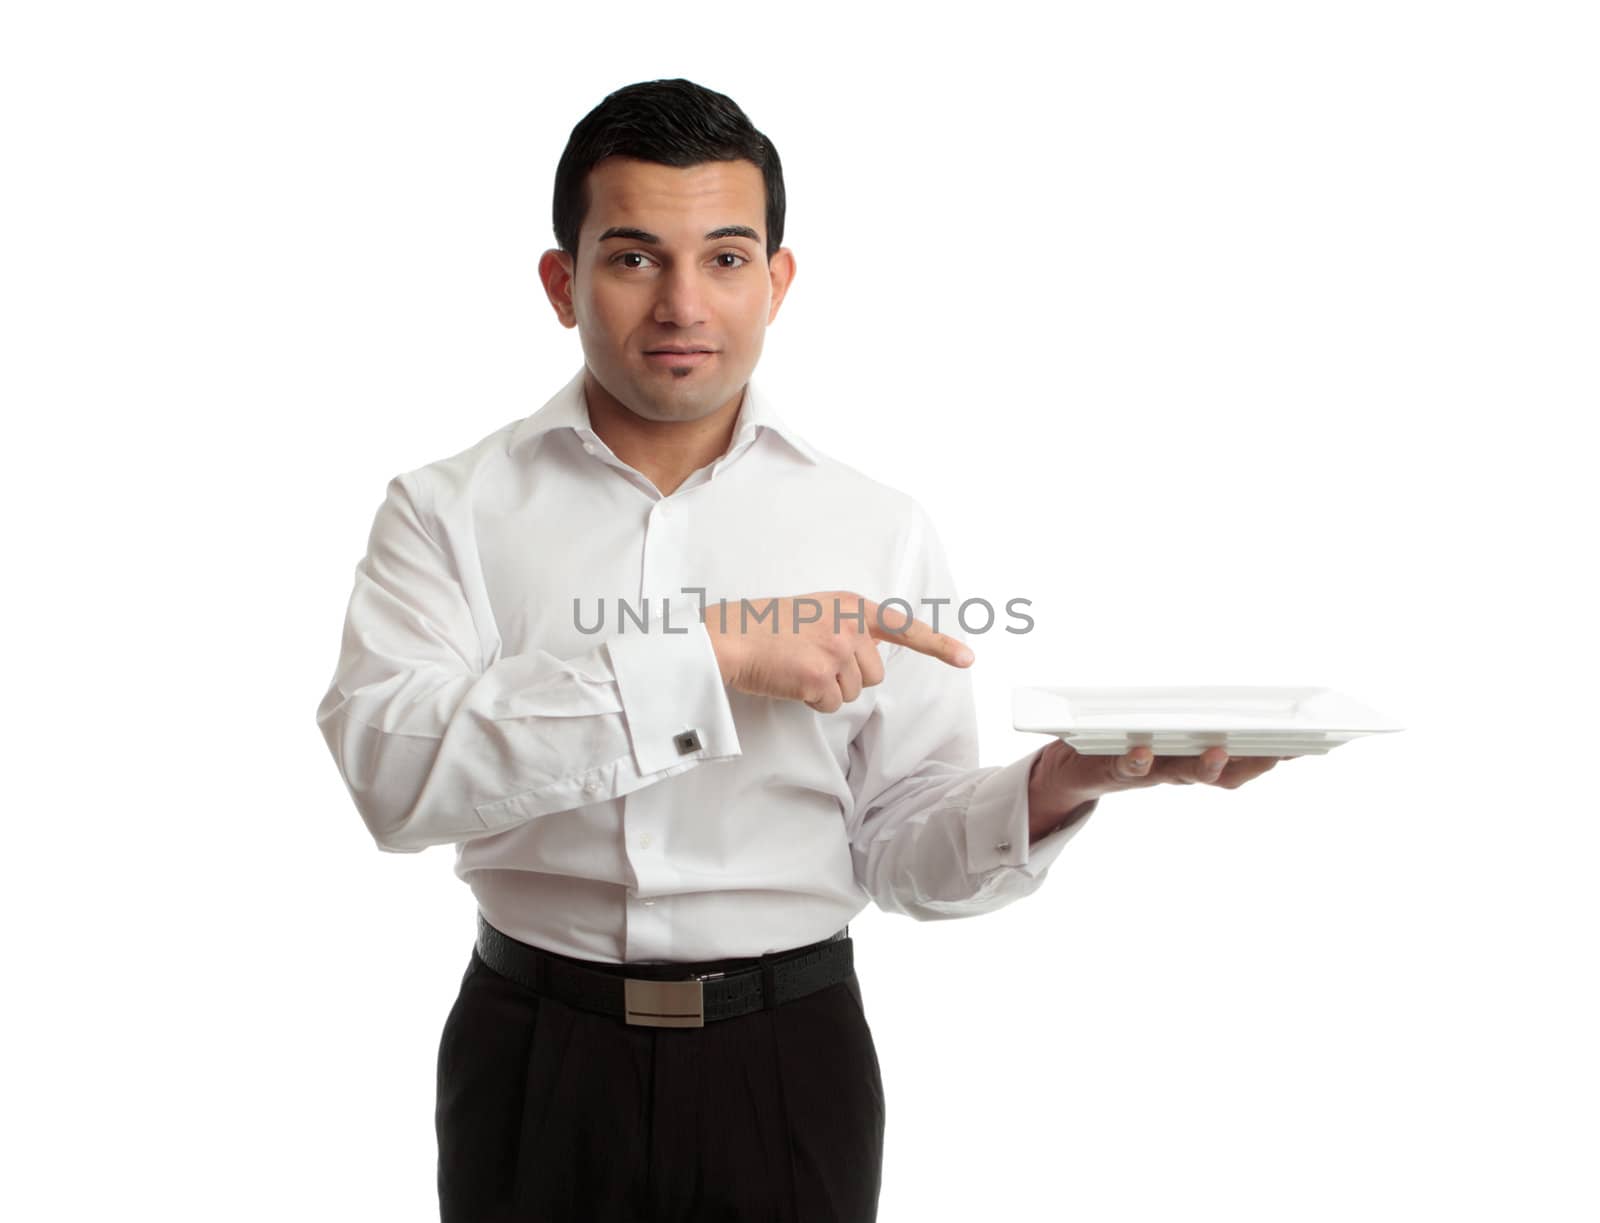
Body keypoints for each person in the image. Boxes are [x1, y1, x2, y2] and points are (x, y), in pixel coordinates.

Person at [314, 77, 1285, 1223]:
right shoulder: (444, 510)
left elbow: (901, 842)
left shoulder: (876, 524)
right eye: (633, 258)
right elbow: (393, 775)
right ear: (559, 282)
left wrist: (1056, 783)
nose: (683, 302)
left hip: (788, 1060)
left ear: (776, 280)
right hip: (532, 1056)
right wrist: (711, 656)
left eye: (725, 258)